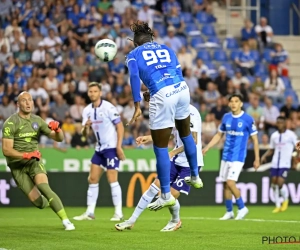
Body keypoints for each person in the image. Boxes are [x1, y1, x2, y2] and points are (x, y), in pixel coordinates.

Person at [126, 21, 202, 211]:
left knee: (160, 148)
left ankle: (166, 195)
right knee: (185, 134)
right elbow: (175, 72)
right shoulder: (167, 48)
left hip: (162, 94)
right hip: (182, 89)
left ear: (135, 43)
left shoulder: (133, 54)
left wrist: (137, 104)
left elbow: (134, 77)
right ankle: (195, 176)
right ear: (152, 38)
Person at [115, 98, 203, 231]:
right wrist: (149, 138)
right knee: (155, 188)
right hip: (177, 160)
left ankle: (175, 220)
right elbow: (172, 135)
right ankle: (131, 221)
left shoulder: (191, 112)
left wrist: (173, 152)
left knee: (170, 195)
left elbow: (193, 140)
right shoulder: (173, 111)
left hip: (190, 163)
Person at [1, 92, 75, 230]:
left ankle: (66, 221)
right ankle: (50, 201)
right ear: (18, 104)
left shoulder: (37, 120)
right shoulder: (10, 123)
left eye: (30, 100)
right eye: (24, 100)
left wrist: (58, 130)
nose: (28, 103)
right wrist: (26, 155)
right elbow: (6, 150)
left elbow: (59, 138)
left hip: (34, 161)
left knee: (44, 187)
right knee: (40, 203)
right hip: (17, 167)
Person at [73, 82, 125, 221]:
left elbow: (120, 127)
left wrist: (119, 146)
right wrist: (86, 127)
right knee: (92, 179)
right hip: (99, 148)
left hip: (111, 148)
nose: (92, 94)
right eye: (90, 91)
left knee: (112, 179)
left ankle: (119, 213)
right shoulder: (87, 110)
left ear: (100, 93)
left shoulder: (108, 107)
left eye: (95, 91)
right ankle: (90, 213)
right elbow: (85, 134)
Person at [202, 93, 260, 220]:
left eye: (236, 101)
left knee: (230, 182)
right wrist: (207, 147)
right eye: (231, 101)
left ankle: (242, 207)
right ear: (229, 104)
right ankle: (229, 212)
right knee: (225, 184)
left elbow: (255, 140)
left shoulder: (248, 119)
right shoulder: (226, 117)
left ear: (241, 104)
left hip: (238, 156)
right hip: (226, 156)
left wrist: (257, 158)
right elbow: (219, 135)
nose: (233, 103)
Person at [261, 116, 298, 213]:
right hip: (275, 163)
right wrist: (264, 156)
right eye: (278, 122)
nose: (280, 124)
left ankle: (285, 200)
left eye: (281, 122)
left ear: (285, 123)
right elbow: (272, 149)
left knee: (280, 183)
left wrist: (297, 157)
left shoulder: (291, 135)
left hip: (285, 163)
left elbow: (298, 145)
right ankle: (277, 205)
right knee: (273, 184)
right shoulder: (274, 136)